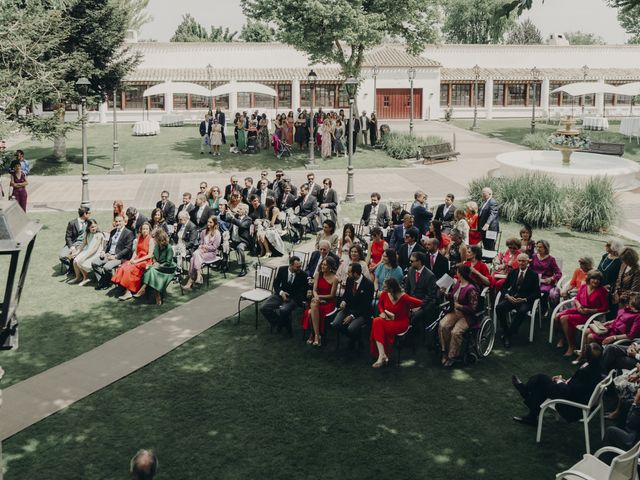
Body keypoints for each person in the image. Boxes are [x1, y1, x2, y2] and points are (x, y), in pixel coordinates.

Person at [510, 343, 603, 425]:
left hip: (572, 406)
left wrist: (559, 381)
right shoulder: (597, 367)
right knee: (542, 386)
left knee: (541, 379)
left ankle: (524, 391)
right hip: (576, 396)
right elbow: (578, 387)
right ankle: (531, 416)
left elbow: (569, 391)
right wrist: (564, 381)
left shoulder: (586, 372)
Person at [370, 277, 423, 368]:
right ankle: (382, 355)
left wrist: (410, 308)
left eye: (385, 287)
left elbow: (421, 303)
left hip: (400, 323)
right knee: (376, 321)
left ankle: (382, 356)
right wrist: (382, 312)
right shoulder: (385, 293)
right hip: (388, 319)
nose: (383, 288)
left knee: (377, 323)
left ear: (392, 288)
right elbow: (380, 305)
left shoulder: (403, 296)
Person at [554, 270, 609, 358]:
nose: (596, 281)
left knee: (564, 318)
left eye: (598, 279)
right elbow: (576, 299)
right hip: (578, 309)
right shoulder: (584, 286)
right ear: (589, 279)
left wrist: (590, 310)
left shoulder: (602, 291)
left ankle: (571, 346)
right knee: (557, 316)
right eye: (593, 278)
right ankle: (562, 338)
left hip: (589, 315)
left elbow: (605, 308)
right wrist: (579, 306)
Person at [495, 253, 541, 348]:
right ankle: (506, 329)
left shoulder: (533, 275)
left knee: (522, 311)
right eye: (519, 260)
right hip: (511, 298)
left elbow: (537, 293)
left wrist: (524, 299)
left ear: (528, 262)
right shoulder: (513, 272)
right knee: (499, 307)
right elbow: (503, 287)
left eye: (523, 261)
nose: (521, 263)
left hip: (524, 300)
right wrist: (507, 296)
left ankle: (508, 335)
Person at [439, 264, 479, 367]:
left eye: (457, 272)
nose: (456, 274)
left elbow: (473, 308)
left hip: (466, 316)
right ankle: (445, 351)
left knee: (455, 332)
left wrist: (460, 306)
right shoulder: (458, 284)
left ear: (460, 274)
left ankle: (452, 356)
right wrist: (444, 294)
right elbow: (452, 297)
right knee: (443, 325)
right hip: (454, 313)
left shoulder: (471, 289)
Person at [331, 262, 375, 349]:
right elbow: (346, 295)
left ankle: (354, 339)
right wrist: (343, 301)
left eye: (349, 272)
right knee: (335, 324)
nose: (347, 273)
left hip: (362, 313)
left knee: (351, 328)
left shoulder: (368, 285)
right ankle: (355, 338)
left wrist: (352, 316)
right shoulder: (349, 279)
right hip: (348, 308)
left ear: (355, 273)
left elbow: (365, 306)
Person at [261, 256, 308, 334]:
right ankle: (280, 323)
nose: (300, 268)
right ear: (290, 265)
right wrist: (281, 293)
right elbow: (276, 284)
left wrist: (296, 299)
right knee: (264, 308)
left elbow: (304, 291)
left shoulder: (303, 275)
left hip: (293, 298)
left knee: (284, 310)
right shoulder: (282, 269)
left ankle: (281, 326)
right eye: (297, 267)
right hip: (280, 295)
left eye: (300, 266)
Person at [112, 222, 154, 300]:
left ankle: (129, 292)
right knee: (124, 266)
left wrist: (137, 261)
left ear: (149, 230)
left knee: (131, 270)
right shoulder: (139, 238)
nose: (144, 230)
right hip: (137, 258)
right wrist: (132, 259)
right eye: (143, 229)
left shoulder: (151, 240)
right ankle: (122, 288)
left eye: (146, 229)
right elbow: (136, 251)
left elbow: (150, 255)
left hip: (145, 261)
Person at [302, 256, 338, 347]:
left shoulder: (335, 279)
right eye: (322, 264)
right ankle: (317, 335)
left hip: (328, 303)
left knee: (311, 310)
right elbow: (314, 290)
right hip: (317, 299)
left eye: (325, 265)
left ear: (330, 266)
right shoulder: (318, 274)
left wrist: (319, 297)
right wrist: (317, 297)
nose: (322, 266)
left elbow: (332, 295)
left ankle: (313, 334)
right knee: (313, 306)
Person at [91, 216, 134, 290]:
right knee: (94, 263)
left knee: (107, 267)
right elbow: (108, 244)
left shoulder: (129, 233)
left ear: (124, 222)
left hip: (120, 257)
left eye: (120, 221)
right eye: (116, 221)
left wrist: (116, 256)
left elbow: (127, 249)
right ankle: (104, 281)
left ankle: (105, 282)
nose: (118, 223)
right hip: (108, 254)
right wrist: (103, 251)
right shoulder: (113, 232)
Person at [136, 229, 176, 306]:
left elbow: (168, 262)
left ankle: (143, 288)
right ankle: (157, 296)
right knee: (151, 270)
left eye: (155, 239)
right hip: (157, 267)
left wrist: (158, 265)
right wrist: (154, 262)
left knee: (152, 270)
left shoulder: (169, 248)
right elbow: (154, 257)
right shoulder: (157, 246)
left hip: (167, 268)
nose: (154, 240)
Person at [404, 251, 439, 330]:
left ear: (419, 262)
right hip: (411, 301)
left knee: (414, 316)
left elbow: (430, 295)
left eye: (412, 261)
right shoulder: (411, 270)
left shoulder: (430, 276)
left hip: (424, 303)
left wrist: (419, 306)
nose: (410, 262)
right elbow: (407, 288)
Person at [184, 216, 221, 289]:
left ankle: (191, 281)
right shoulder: (204, 232)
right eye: (208, 222)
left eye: (211, 222)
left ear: (214, 223)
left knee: (194, 256)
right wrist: (202, 247)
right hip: (201, 252)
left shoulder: (217, 233)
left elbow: (215, 247)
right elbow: (201, 243)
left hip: (211, 254)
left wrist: (205, 248)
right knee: (194, 256)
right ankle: (198, 275)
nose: (208, 224)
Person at [530, 240, 562, 313]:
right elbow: (530, 268)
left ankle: (543, 309)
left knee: (542, 291)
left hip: (545, 282)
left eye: (540, 247)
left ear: (546, 248)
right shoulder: (534, 256)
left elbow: (558, 273)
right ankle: (530, 307)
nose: (538, 249)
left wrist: (551, 278)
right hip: (534, 280)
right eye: (537, 247)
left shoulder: (551, 259)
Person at [69, 219, 103, 286]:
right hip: (87, 250)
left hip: (95, 253)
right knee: (75, 261)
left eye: (95, 226)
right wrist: (77, 252)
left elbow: (95, 249)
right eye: (92, 227)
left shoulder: (99, 235)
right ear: (88, 227)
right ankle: (78, 277)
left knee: (80, 262)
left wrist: (84, 257)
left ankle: (86, 278)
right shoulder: (87, 233)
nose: (94, 228)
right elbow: (83, 244)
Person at [224, 203, 253, 277]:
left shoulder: (248, 219)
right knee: (224, 245)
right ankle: (225, 264)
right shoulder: (236, 216)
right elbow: (226, 219)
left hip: (243, 241)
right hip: (234, 240)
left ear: (245, 211)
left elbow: (242, 225)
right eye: (238, 208)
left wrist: (233, 218)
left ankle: (243, 268)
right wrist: (227, 213)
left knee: (240, 248)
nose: (238, 210)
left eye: (240, 209)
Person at [59, 206, 91, 274]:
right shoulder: (72, 223)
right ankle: (72, 267)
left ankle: (76, 270)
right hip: (73, 243)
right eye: (89, 213)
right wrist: (72, 247)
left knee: (78, 257)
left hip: (83, 244)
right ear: (85, 214)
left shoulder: (89, 222)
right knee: (62, 256)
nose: (90, 214)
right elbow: (68, 237)